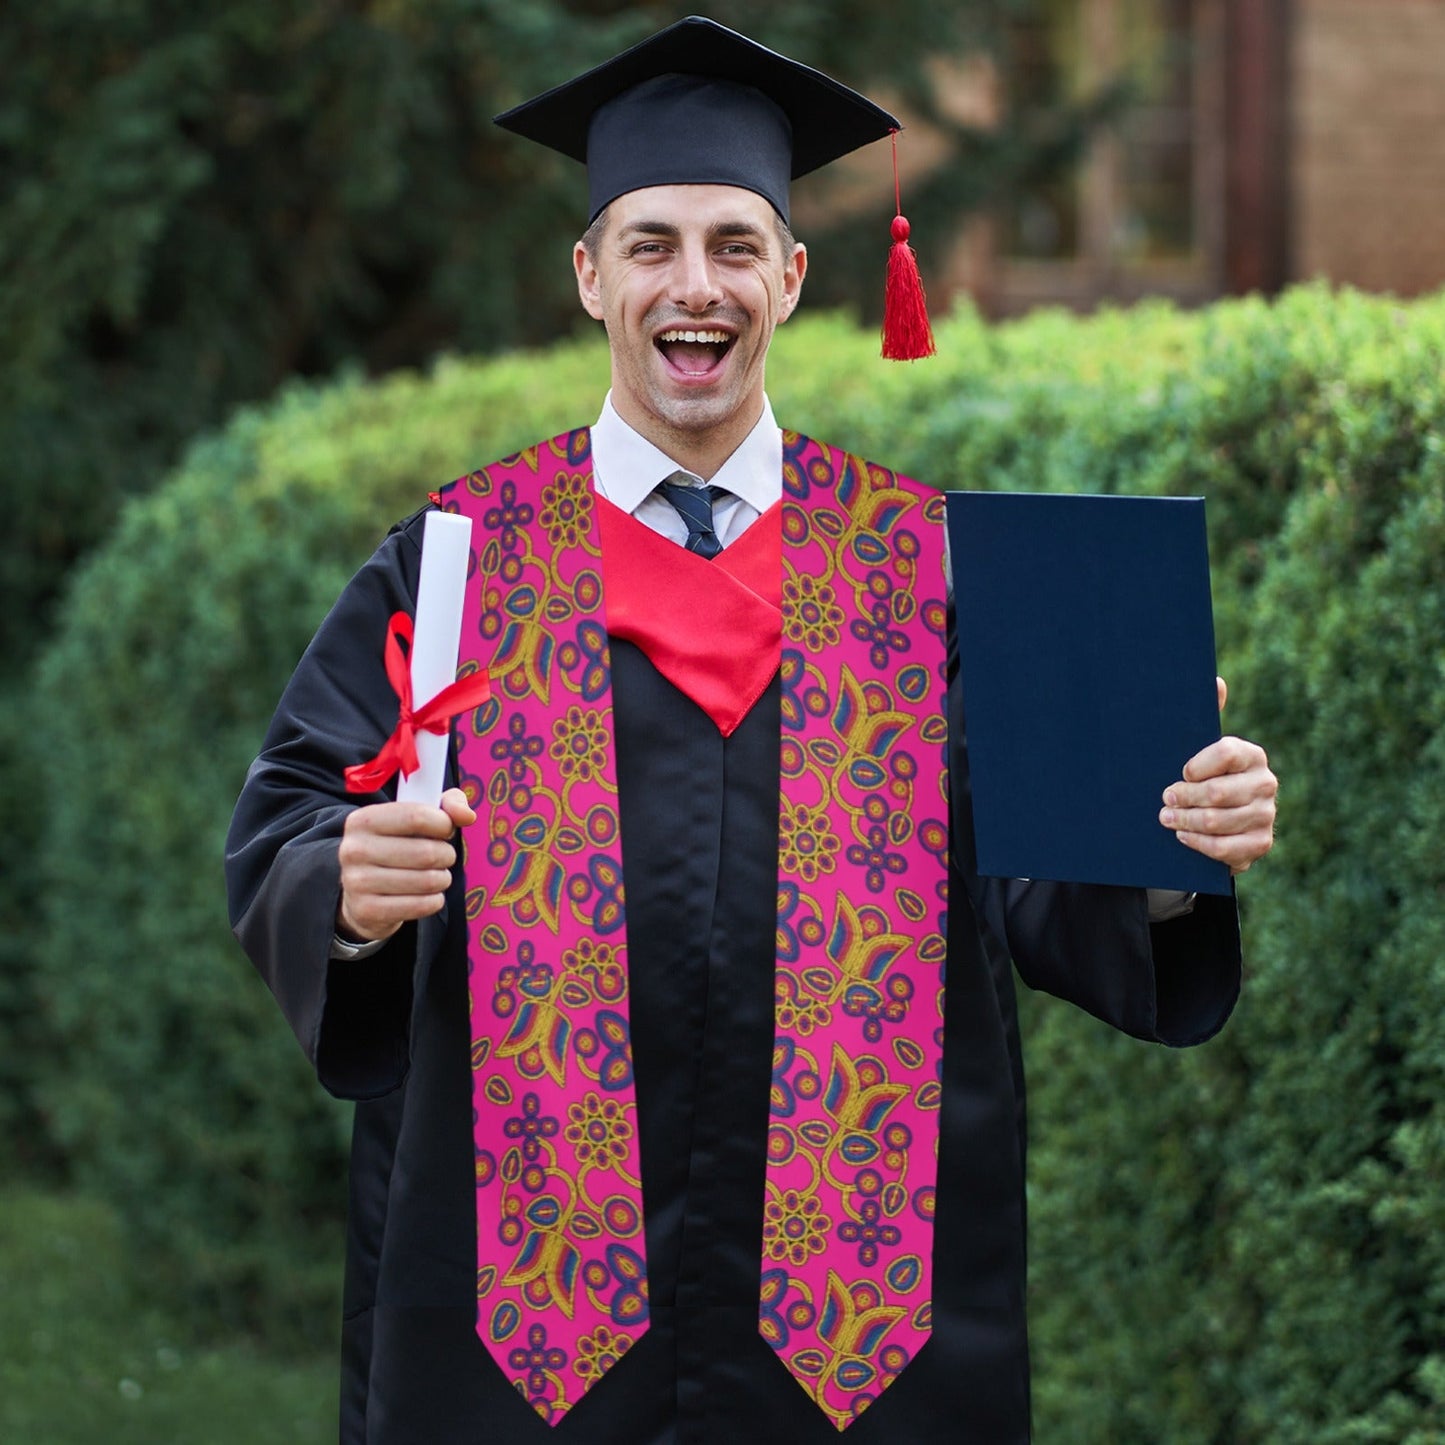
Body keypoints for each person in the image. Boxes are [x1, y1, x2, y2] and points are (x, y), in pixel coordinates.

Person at [225, 17, 1277, 1445]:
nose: (692, 285)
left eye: (732, 244)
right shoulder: (461, 564)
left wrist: (1166, 844)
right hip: (521, 1317)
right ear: (589, 275)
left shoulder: (931, 569)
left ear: (789, 275)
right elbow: (289, 817)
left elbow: (1040, 884)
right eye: (650, 244)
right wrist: (342, 888)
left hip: (860, 1324)